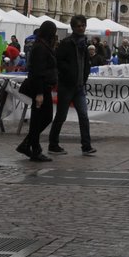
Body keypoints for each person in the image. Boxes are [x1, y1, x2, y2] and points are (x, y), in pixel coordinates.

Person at [48, 16, 95, 156]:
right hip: (67, 86)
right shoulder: (67, 43)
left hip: (79, 86)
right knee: (61, 116)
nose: (81, 28)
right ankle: (53, 144)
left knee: (84, 116)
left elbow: (86, 64)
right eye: (78, 26)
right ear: (73, 27)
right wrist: (68, 73)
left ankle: (86, 146)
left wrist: (84, 76)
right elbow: (58, 61)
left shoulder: (84, 44)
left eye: (83, 25)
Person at [16, 21, 58, 162]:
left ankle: (30, 145)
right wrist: (39, 93)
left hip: (43, 86)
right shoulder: (40, 47)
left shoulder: (43, 45)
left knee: (40, 118)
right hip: (40, 87)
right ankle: (33, 148)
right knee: (41, 118)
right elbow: (38, 71)